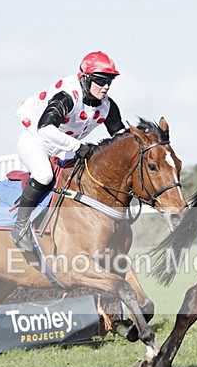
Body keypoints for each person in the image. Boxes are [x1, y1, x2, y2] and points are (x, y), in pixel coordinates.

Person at [11, 51, 127, 252]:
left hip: (64, 145)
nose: (106, 86)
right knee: (44, 174)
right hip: (36, 140)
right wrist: (78, 147)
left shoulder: (108, 105)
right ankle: (20, 226)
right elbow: (45, 129)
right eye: (101, 80)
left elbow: (121, 138)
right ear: (86, 78)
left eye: (110, 80)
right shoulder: (68, 95)